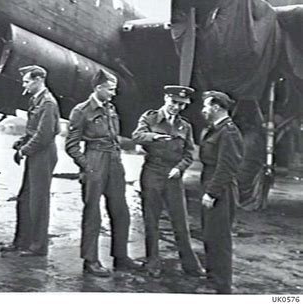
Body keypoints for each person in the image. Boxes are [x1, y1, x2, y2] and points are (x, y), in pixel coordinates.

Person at [65, 69, 141, 277]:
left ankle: (121, 256)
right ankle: (90, 260)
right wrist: (87, 165)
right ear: (98, 88)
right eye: (110, 90)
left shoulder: (111, 109)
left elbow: (114, 137)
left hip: (114, 161)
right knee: (93, 213)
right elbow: (71, 145)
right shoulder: (81, 111)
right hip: (95, 160)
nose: (113, 94)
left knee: (121, 211)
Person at [131, 85, 205, 279]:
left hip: (173, 175)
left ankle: (190, 265)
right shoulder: (150, 118)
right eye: (174, 102)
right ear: (166, 99)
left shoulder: (185, 126)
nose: (176, 107)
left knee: (180, 221)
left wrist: (179, 168)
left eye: (181, 104)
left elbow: (189, 153)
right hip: (152, 172)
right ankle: (153, 262)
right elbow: (136, 136)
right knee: (151, 219)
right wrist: (154, 137)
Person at [1, 65, 60, 257]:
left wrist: (24, 150)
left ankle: (38, 246)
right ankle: (21, 241)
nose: (24, 85)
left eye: (27, 81)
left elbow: (44, 134)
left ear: (38, 80)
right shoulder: (36, 100)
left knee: (38, 201)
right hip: (36, 153)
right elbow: (33, 130)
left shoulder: (48, 103)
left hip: (43, 154)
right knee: (25, 198)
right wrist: (22, 141)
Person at [199, 91, 244, 294]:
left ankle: (222, 286)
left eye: (207, 106)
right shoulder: (216, 129)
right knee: (209, 235)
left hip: (221, 188)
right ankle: (211, 279)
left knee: (220, 238)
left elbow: (227, 166)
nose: (203, 110)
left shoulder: (229, 132)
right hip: (211, 182)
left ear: (216, 108)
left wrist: (212, 193)